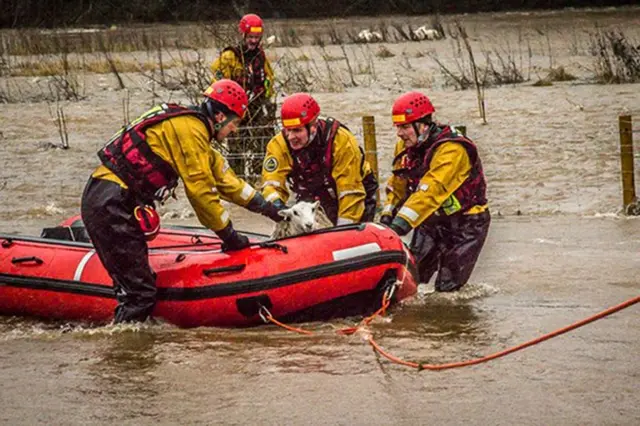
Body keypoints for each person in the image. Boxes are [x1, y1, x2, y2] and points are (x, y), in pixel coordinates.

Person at [80, 79, 283, 324]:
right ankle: (125, 353)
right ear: (220, 116)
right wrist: (228, 235)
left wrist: (271, 209)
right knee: (140, 294)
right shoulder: (190, 131)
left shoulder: (192, 132)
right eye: (235, 123)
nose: (235, 131)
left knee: (138, 285)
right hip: (111, 202)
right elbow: (201, 193)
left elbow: (228, 182)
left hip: (113, 198)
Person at [379, 91, 490, 292]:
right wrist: (387, 216)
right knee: (409, 276)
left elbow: (431, 190)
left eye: (404, 127)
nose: (399, 133)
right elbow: (397, 184)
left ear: (423, 125)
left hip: (466, 224)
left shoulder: (452, 150)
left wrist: (400, 224)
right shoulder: (405, 148)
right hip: (431, 221)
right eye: (397, 127)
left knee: (447, 288)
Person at [261, 93, 378, 225]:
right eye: (288, 130)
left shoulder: (341, 140)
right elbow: (271, 185)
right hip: (311, 192)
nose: (291, 137)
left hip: (355, 192)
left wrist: (341, 232)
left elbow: (350, 193)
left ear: (313, 127)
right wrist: (279, 209)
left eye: (297, 131)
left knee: (350, 235)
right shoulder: (278, 145)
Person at [210, 13, 276, 178]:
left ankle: (259, 180)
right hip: (235, 113)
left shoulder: (260, 55)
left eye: (257, 37)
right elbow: (217, 84)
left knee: (263, 147)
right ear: (243, 35)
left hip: (258, 109)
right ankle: (238, 183)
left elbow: (269, 78)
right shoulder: (229, 57)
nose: (254, 41)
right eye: (251, 37)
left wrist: (265, 91)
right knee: (237, 152)